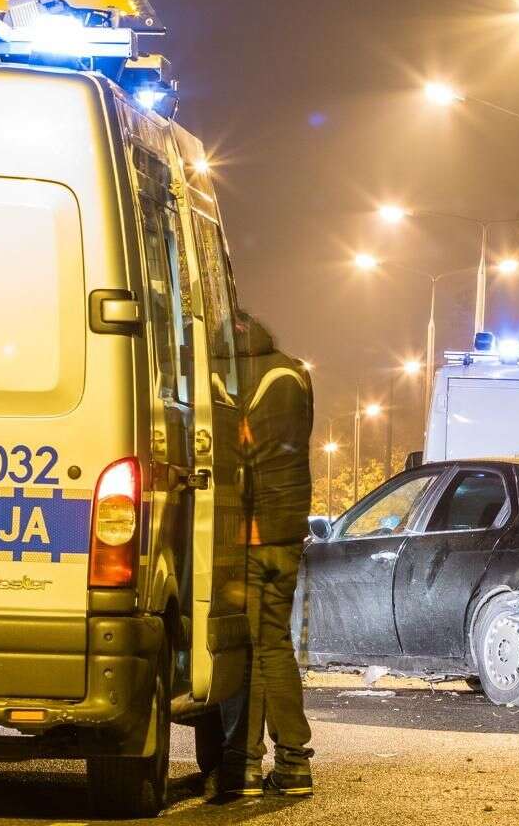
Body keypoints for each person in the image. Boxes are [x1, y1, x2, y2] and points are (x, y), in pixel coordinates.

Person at [215, 312, 316, 798]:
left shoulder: (223, 378)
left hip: (248, 533)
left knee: (254, 648)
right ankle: (290, 761)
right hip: (288, 531)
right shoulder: (294, 373)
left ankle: (252, 765)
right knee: (275, 640)